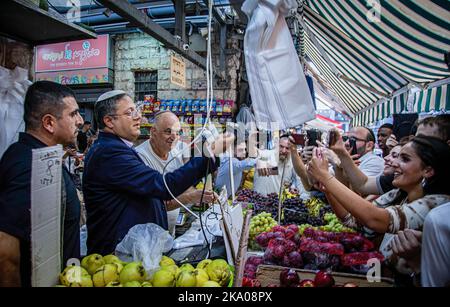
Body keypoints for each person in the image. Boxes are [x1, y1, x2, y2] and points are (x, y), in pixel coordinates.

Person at [83, 90, 233, 255]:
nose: (138, 117)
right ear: (109, 121)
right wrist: (209, 155)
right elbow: (162, 186)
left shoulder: (118, 149)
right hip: (116, 257)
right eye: (129, 113)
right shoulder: (110, 153)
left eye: (136, 110)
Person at [308, 136, 450, 277]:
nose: (394, 163)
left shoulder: (437, 204)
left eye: (405, 159)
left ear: (428, 171)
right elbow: (352, 220)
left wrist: (325, 177)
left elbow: (375, 219)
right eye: (397, 157)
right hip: (378, 273)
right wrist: (327, 190)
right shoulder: (398, 194)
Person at [0, 81, 83, 287]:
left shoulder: (44, 157)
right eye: (73, 114)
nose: (80, 121)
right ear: (49, 123)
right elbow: (5, 251)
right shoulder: (28, 164)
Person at [135, 110, 215, 236]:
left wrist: (200, 194)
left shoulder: (176, 151)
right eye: (168, 131)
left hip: (168, 233)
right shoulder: (140, 157)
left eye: (177, 133)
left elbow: (182, 185)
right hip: (146, 237)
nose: (174, 137)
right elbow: (156, 204)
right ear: (153, 132)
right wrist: (191, 197)